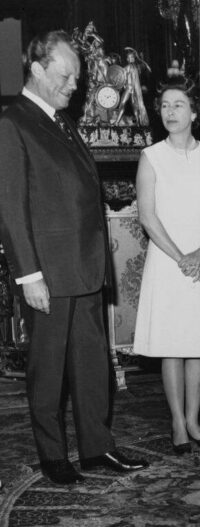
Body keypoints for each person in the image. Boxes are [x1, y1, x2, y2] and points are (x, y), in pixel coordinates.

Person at [0, 30, 149, 484]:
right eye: (66, 76)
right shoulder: (13, 122)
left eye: (77, 77)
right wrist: (30, 275)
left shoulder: (61, 120)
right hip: (48, 270)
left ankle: (96, 448)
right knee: (48, 369)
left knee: (91, 363)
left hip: (85, 267)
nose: (74, 86)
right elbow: (10, 206)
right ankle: (53, 455)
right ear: (38, 69)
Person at [133, 76, 200, 454]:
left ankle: (194, 419)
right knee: (172, 344)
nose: (171, 112)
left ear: (194, 111)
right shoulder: (151, 157)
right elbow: (147, 216)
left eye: (178, 105)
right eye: (165, 106)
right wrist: (180, 257)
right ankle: (177, 422)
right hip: (168, 262)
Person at [115, 47, 150, 127]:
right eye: (130, 57)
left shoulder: (132, 67)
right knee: (131, 105)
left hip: (130, 89)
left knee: (124, 104)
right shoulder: (132, 68)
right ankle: (136, 122)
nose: (131, 59)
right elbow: (120, 78)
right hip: (131, 89)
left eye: (132, 57)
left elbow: (119, 76)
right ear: (127, 59)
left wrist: (138, 56)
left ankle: (118, 122)